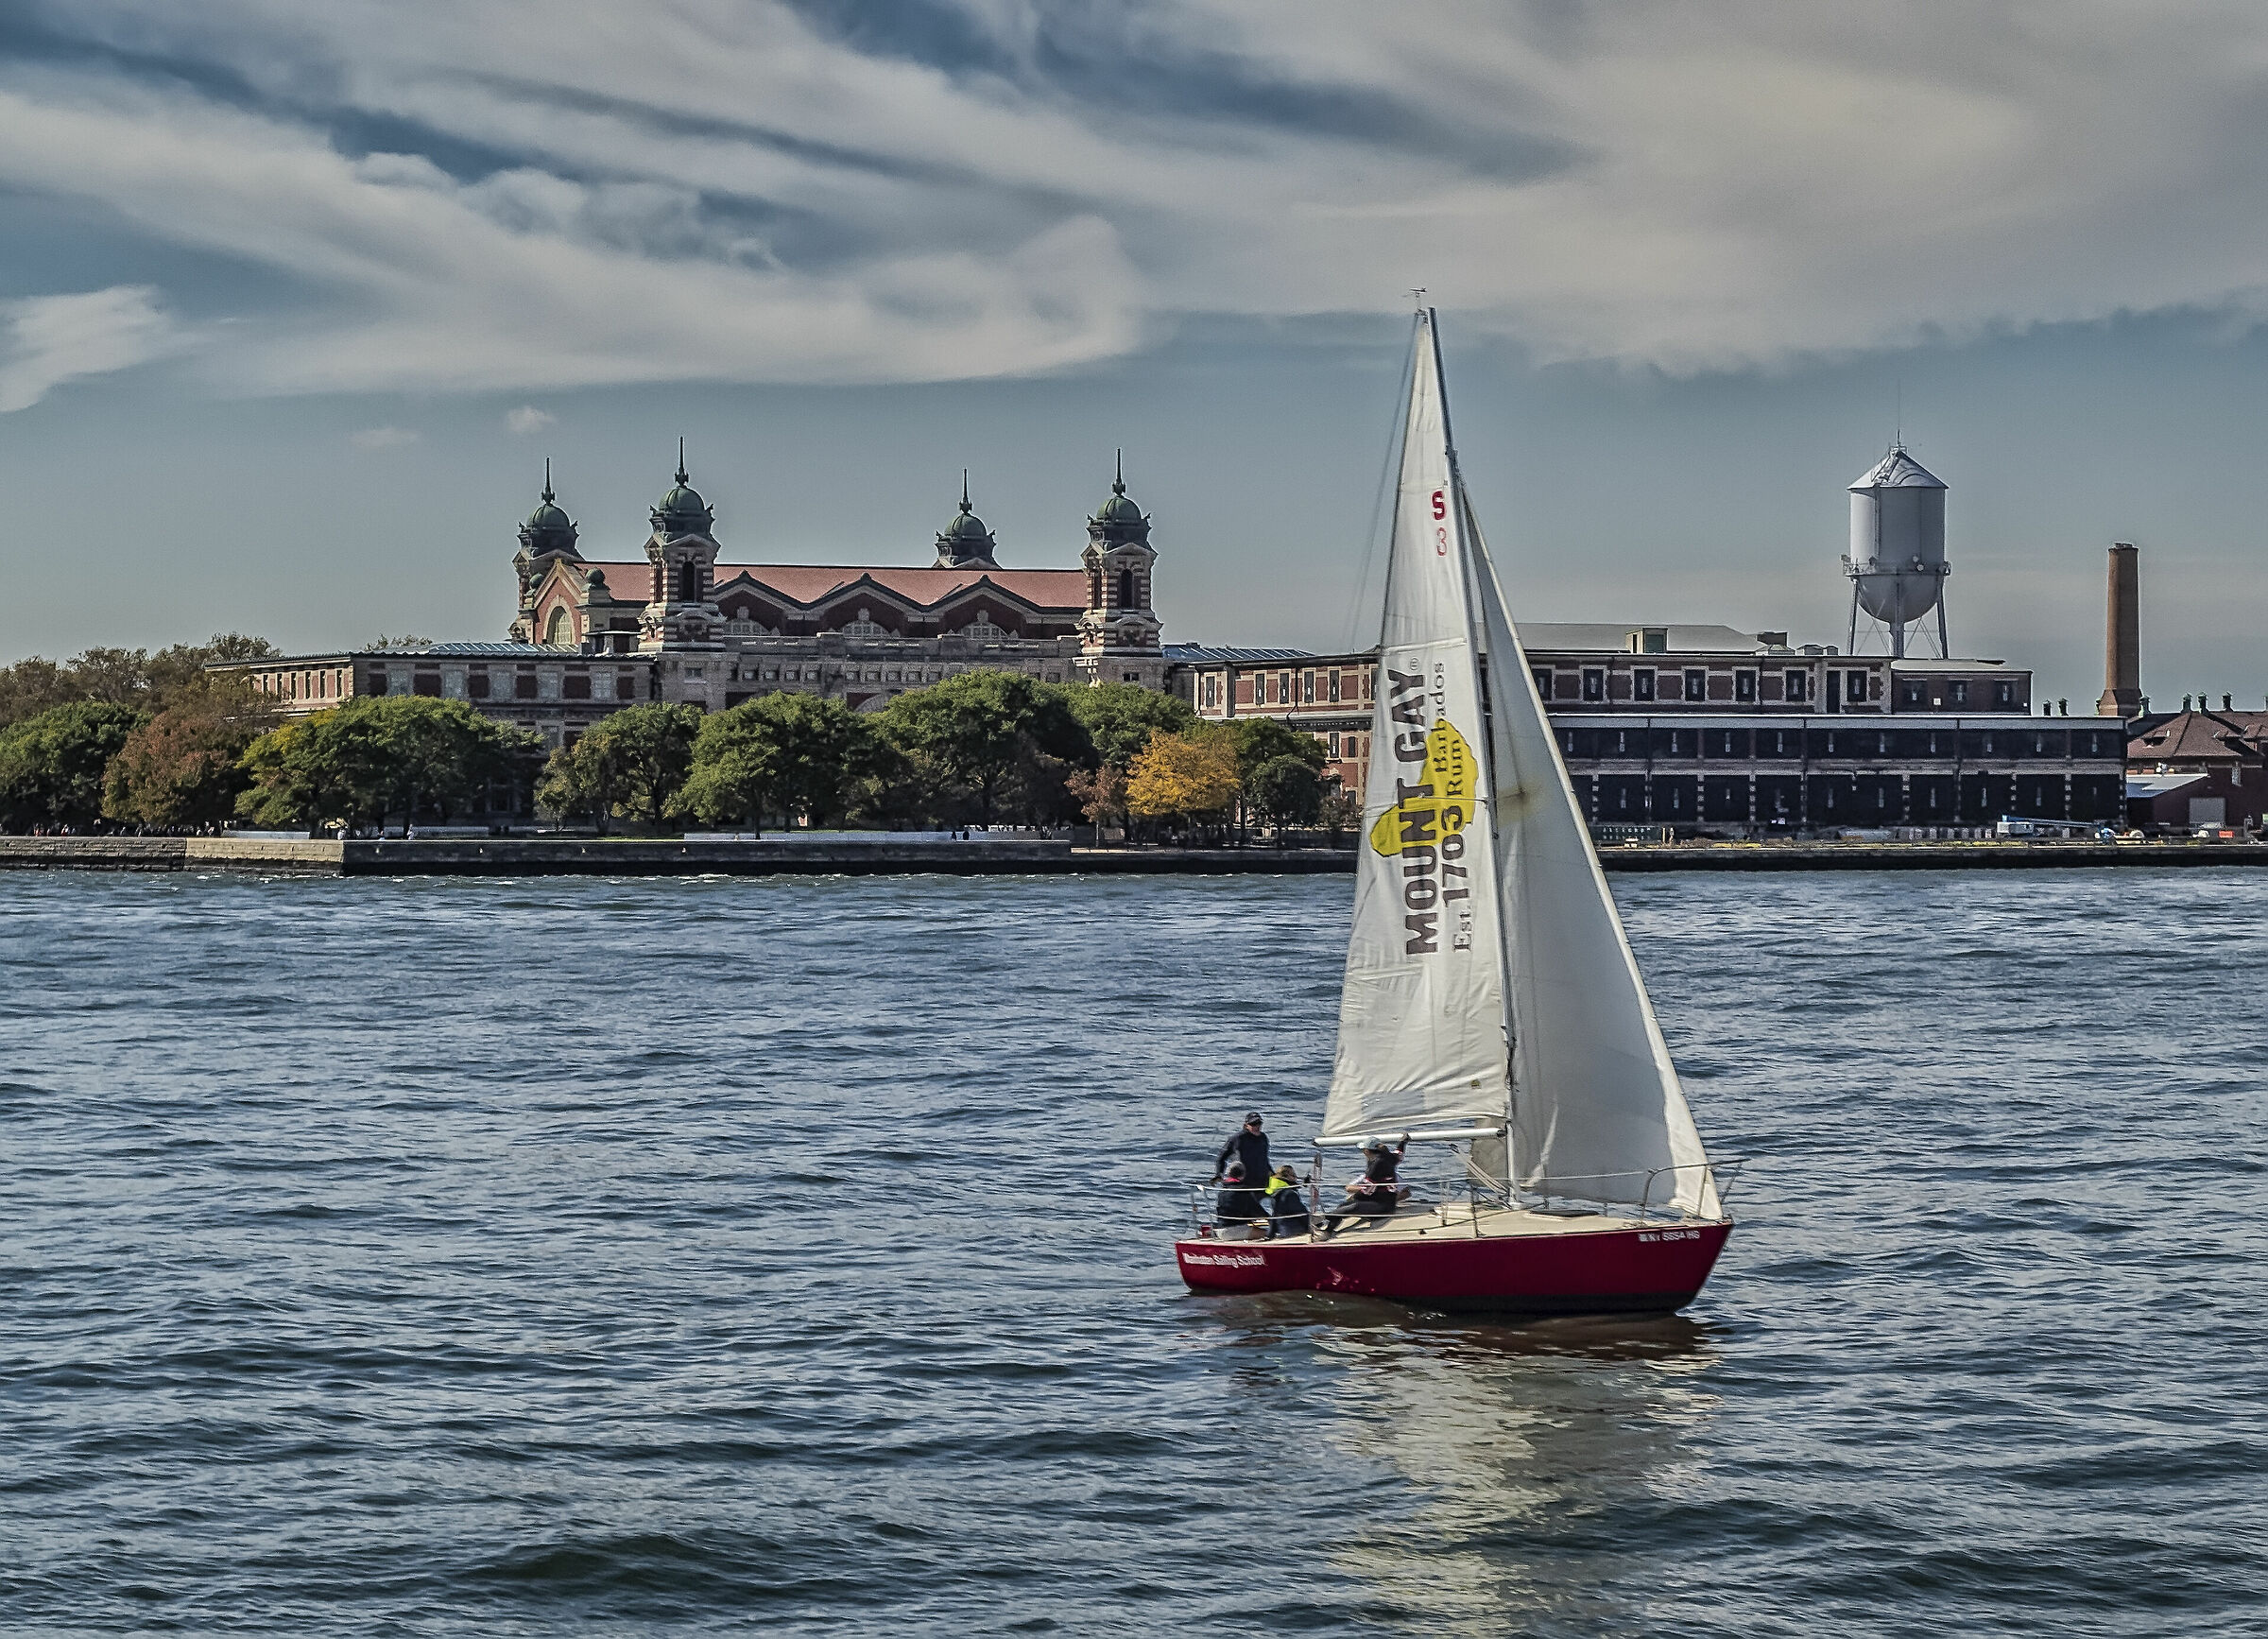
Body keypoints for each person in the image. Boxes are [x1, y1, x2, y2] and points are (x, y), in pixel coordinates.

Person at [1322, 1142, 1411, 1234]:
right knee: (1343, 1206)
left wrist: (1356, 1197)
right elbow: (1399, 1153)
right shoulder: (1390, 1158)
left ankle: (1323, 1218)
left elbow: (1368, 1190)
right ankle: (1328, 1230)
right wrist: (1403, 1141)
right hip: (1383, 1202)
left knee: (1353, 1207)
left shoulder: (1377, 1164)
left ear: (1367, 1151)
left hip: (1383, 1206)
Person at [1211, 1112, 1270, 1195]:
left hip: (1261, 1182)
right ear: (1246, 1125)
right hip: (1242, 1183)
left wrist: (1272, 1174)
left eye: (1259, 1123)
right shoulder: (1237, 1139)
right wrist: (1219, 1174)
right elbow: (1221, 1158)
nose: (1257, 1126)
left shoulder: (1263, 1138)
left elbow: (1265, 1159)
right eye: (1253, 1124)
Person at [1213, 1162, 1265, 1239]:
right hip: (1234, 1230)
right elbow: (1257, 1212)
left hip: (1220, 1230)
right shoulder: (1243, 1191)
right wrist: (1271, 1218)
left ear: (1229, 1174)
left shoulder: (1222, 1191)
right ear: (1243, 1175)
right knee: (1269, 1234)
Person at [1264, 1165, 1312, 1239]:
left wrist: (1270, 1234)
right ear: (1286, 1177)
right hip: (1293, 1231)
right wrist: (1311, 1228)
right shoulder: (1290, 1194)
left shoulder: (1276, 1193)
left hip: (1282, 1230)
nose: (1296, 1178)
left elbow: (1274, 1216)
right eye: (1293, 1175)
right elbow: (1303, 1214)